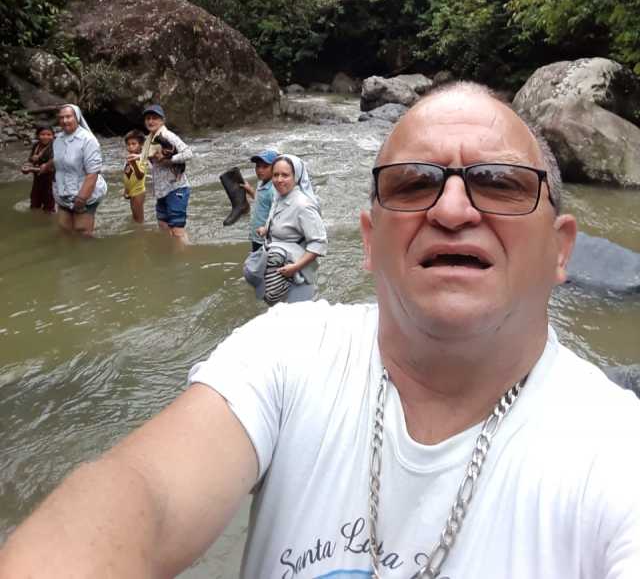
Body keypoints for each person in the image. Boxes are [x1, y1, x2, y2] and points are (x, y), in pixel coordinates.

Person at [2, 82, 640, 579]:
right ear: (368, 239)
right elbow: (142, 496)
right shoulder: (287, 350)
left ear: (562, 251)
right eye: (414, 183)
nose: (450, 210)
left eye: (498, 183)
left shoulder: (615, 449)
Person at [256, 153, 328, 305]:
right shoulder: (279, 197)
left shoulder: (303, 205)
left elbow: (319, 243)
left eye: (285, 175)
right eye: (275, 175)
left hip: (297, 277)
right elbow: (282, 225)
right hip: (278, 275)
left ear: (297, 177)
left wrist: (295, 267)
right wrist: (266, 229)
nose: (279, 180)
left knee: (297, 321)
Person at [39, 104, 107, 236]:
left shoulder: (88, 140)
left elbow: (92, 173)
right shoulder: (58, 139)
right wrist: (46, 166)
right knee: (64, 229)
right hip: (63, 192)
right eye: (61, 118)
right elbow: (59, 158)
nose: (64, 121)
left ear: (77, 117)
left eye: (68, 117)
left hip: (85, 193)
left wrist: (81, 200)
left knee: (82, 232)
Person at [140, 104, 193, 243]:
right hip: (161, 191)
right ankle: (171, 255)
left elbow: (188, 153)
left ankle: (184, 259)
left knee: (177, 230)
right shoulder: (149, 140)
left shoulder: (168, 136)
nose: (150, 121)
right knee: (163, 227)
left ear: (162, 120)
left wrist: (169, 158)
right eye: (148, 118)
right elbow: (145, 161)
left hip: (176, 188)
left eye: (154, 118)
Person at [242, 149, 279, 251]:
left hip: (266, 240)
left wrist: (267, 230)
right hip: (256, 236)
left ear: (275, 168)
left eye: (265, 167)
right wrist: (250, 191)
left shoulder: (273, 190)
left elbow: (277, 214)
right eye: (258, 166)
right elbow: (262, 201)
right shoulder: (261, 183)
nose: (260, 170)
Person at [20, 125, 55, 213]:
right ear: (37, 136)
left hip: (50, 180)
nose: (45, 137)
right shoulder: (36, 145)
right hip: (37, 179)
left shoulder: (55, 147)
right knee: (34, 202)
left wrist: (30, 169)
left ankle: (48, 223)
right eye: (42, 134)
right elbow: (30, 160)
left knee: (49, 205)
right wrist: (26, 166)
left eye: (49, 134)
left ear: (53, 136)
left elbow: (49, 167)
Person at [122, 129, 147, 224]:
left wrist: (134, 164)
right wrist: (126, 190)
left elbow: (140, 175)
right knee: (134, 216)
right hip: (131, 191)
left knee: (139, 220)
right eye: (128, 144)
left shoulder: (142, 159)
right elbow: (127, 175)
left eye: (133, 144)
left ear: (140, 145)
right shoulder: (128, 158)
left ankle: (141, 236)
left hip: (139, 192)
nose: (130, 146)